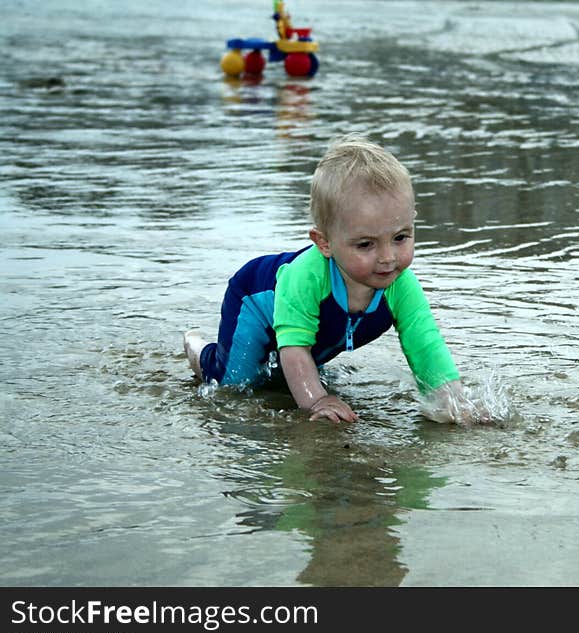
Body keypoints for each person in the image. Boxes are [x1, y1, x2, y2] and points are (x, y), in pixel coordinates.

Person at [185, 133, 473, 424]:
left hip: (312, 332)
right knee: (235, 386)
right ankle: (204, 357)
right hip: (255, 302)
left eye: (400, 237)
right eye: (366, 245)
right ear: (324, 243)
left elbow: (425, 344)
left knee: (283, 378)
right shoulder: (306, 277)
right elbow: (296, 347)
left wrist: (452, 402)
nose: (388, 257)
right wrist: (317, 400)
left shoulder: (401, 284)